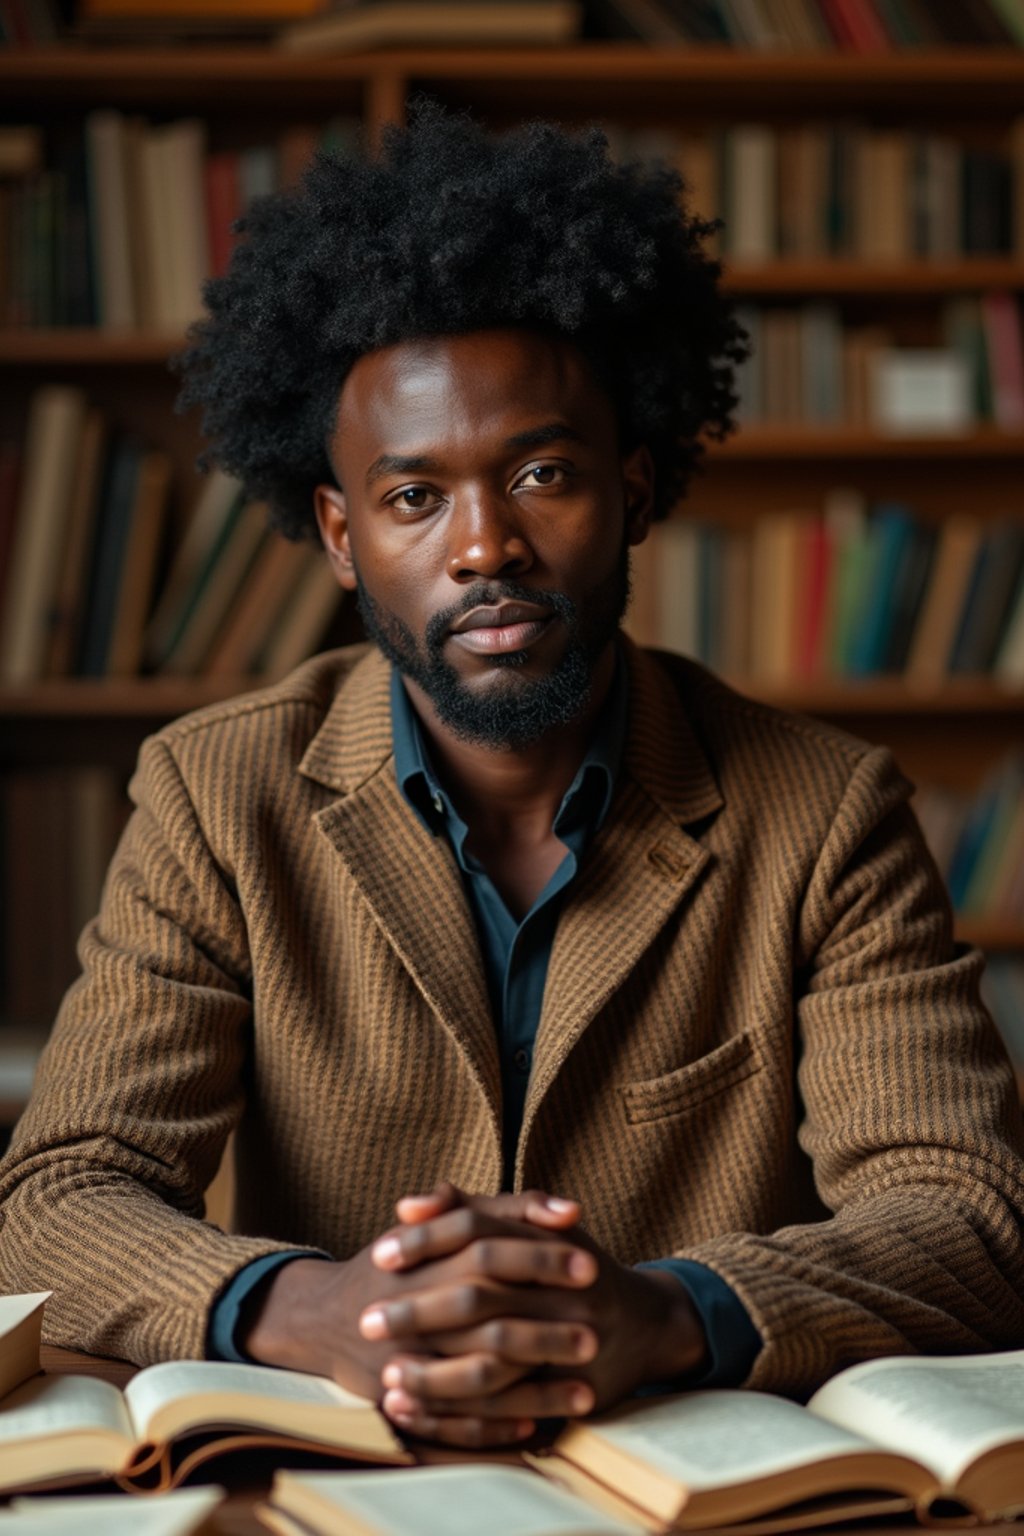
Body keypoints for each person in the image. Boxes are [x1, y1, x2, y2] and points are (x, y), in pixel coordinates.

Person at [2, 104, 1023, 1452]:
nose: (486, 547)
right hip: (341, 1478)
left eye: (542, 473)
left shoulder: (824, 809)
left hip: (692, 1478)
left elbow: (965, 1209)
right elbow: (63, 1189)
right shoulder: (215, 795)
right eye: (414, 497)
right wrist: (317, 1307)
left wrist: (670, 1311)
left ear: (637, 483)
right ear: (340, 533)